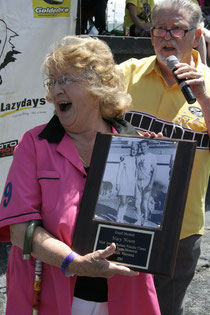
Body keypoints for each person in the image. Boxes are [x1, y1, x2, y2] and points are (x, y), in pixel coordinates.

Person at [0, 36, 160, 315]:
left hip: (125, 295)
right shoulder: (34, 144)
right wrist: (73, 263)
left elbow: (154, 217)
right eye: (52, 81)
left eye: (66, 80)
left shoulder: (136, 144)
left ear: (98, 86)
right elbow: (20, 230)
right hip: (51, 294)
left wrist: (159, 166)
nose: (55, 90)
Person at [119, 0, 210, 314]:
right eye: (159, 28)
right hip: (123, 217)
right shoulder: (124, 74)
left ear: (197, 34)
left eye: (178, 29)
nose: (167, 36)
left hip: (181, 226)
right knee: (116, 304)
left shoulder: (209, 84)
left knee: (165, 308)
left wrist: (204, 98)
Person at [115, 141, 138, 223]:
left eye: (136, 150)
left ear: (137, 151)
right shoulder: (124, 158)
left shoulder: (137, 160)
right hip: (123, 183)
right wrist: (117, 183)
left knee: (126, 203)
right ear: (130, 150)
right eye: (132, 149)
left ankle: (121, 219)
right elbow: (119, 171)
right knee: (123, 202)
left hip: (131, 184)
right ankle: (118, 219)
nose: (134, 151)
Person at [135, 140, 157, 225]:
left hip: (147, 181)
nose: (142, 148)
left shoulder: (152, 156)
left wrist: (151, 184)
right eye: (141, 147)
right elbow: (130, 156)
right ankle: (138, 219)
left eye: (144, 146)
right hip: (137, 181)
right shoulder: (138, 156)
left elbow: (155, 171)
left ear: (148, 146)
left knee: (145, 203)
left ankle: (146, 220)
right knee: (137, 203)